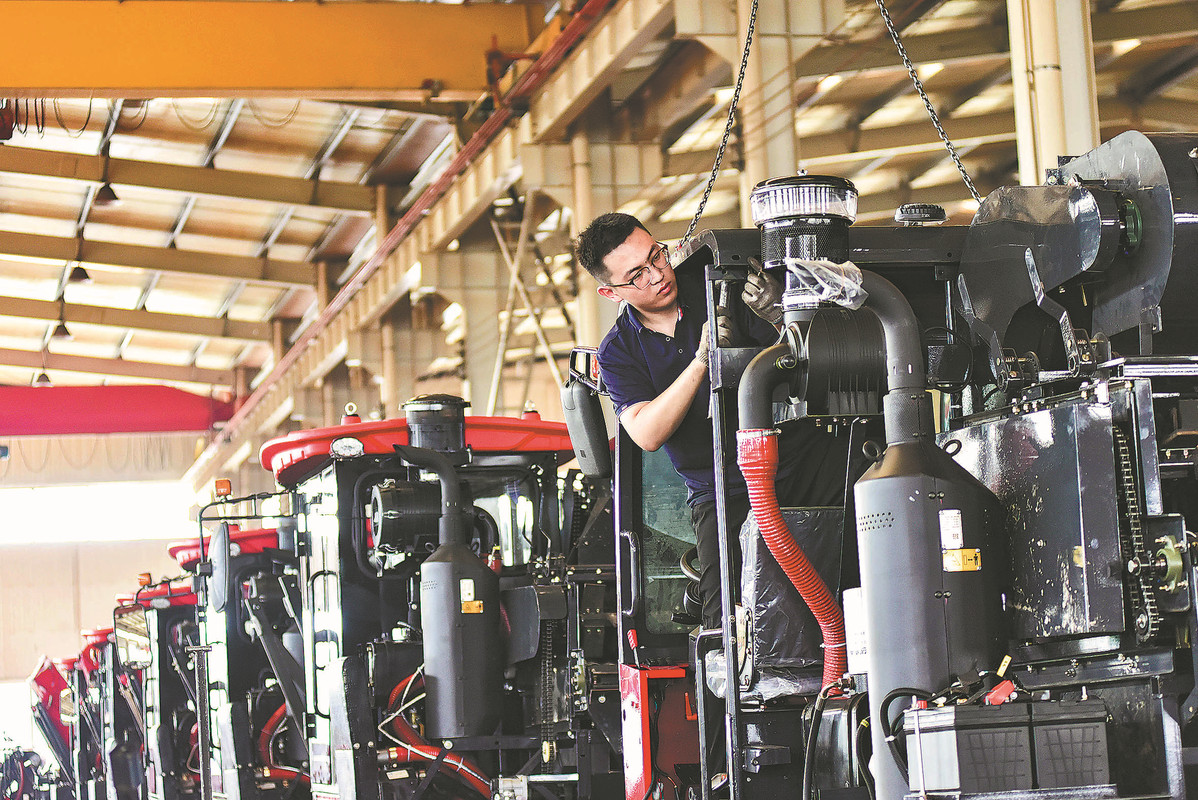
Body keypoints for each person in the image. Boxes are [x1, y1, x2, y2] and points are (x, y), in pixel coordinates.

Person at [573, 212, 789, 628]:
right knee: (724, 620)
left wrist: (778, 314)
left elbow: (801, 362)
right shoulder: (618, 353)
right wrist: (704, 360)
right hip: (719, 491)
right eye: (637, 275)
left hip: (791, 468)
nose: (657, 275)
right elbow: (646, 432)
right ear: (609, 292)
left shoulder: (722, 289)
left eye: (657, 255)